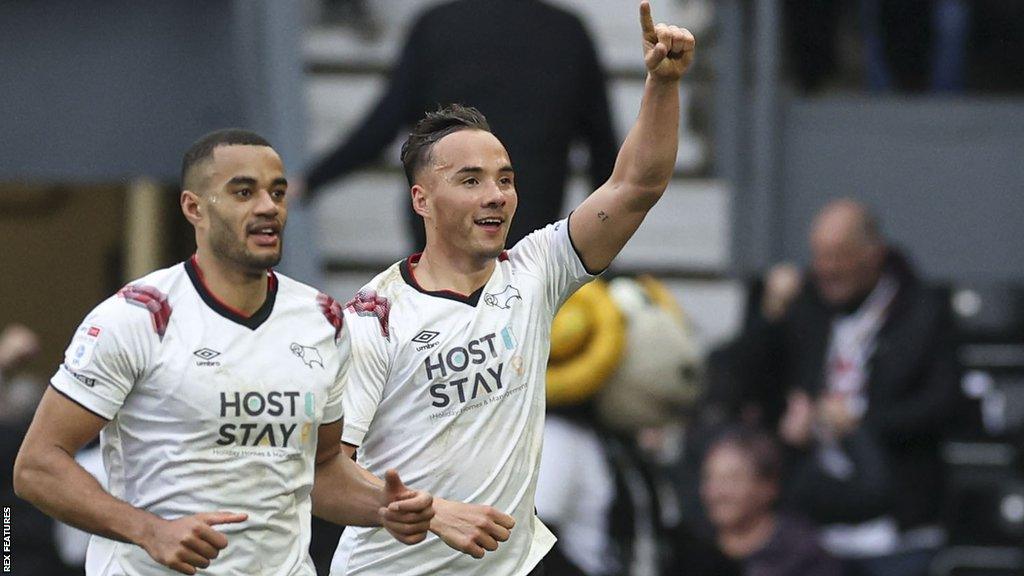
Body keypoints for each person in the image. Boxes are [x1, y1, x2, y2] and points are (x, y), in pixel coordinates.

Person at [330, 2, 695, 574]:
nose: (495, 195)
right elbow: (324, 480)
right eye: (469, 180)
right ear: (421, 200)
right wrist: (428, 514)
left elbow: (636, 184)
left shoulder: (535, 271)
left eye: (505, 179)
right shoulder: (374, 317)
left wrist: (662, 84)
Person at [13, 129, 436, 576]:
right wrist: (149, 530)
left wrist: (382, 507)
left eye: (277, 192)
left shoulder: (322, 318)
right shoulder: (139, 316)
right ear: (193, 207)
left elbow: (323, 466)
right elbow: (37, 466)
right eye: (243, 192)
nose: (268, 207)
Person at [734, 198, 961, 576]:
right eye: (818, 256)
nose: (825, 269)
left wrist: (860, 422)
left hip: (898, 530)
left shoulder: (923, 311)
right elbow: (744, 381)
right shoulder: (806, 306)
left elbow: (944, 404)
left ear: (874, 255)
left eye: (838, 256)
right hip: (812, 531)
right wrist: (770, 314)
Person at [302, 0, 618, 251]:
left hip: (442, 242)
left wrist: (309, 182)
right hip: (527, 241)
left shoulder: (436, 27)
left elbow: (379, 129)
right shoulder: (568, 33)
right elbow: (604, 153)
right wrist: (601, 254)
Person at [700, 428, 842, 576]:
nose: (716, 492)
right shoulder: (692, 550)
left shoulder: (804, 554)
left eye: (732, 480)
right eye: (710, 478)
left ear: (769, 486)